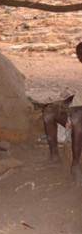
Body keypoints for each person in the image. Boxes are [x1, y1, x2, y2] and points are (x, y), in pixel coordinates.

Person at [43, 42, 82, 186]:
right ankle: (54, 156)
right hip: (77, 111)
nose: (79, 59)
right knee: (49, 110)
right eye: (78, 55)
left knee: (77, 116)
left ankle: (76, 164)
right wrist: (64, 102)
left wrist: (74, 110)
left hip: (79, 115)